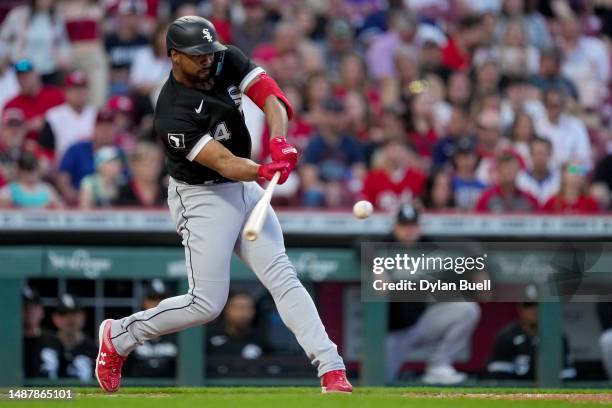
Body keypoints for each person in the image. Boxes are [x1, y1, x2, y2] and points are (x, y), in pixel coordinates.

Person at [95, 17, 351, 394]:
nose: (207, 60)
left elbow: (272, 96)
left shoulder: (224, 58)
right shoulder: (171, 112)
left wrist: (279, 140)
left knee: (282, 275)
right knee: (206, 304)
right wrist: (265, 168)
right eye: (197, 55)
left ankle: (331, 368)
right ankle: (119, 336)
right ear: (174, 56)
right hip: (201, 197)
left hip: (242, 189)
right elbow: (225, 162)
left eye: (209, 51)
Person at [385, 204, 481, 384]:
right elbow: (358, 244)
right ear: (395, 227)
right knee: (379, 380)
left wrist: (478, 268)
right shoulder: (384, 244)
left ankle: (438, 365)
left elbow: (466, 246)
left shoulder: (426, 244)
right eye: (404, 225)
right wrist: (376, 267)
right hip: (391, 335)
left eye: (413, 225)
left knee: (467, 309)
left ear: (419, 227)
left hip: (420, 325)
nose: (408, 231)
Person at [487, 302, 575, 380]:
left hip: (548, 393)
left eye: (538, 306)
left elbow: (567, 375)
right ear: (520, 309)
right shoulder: (507, 335)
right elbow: (498, 375)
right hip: (516, 394)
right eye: (528, 306)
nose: (534, 310)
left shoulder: (557, 336)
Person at [56, 108, 120, 205]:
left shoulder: (119, 153)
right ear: (94, 128)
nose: (105, 132)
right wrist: (79, 198)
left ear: (115, 130)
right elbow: (63, 178)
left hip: (114, 205)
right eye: (102, 128)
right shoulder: (76, 149)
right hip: (79, 203)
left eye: (109, 128)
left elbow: (127, 182)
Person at [0, 0, 72, 84]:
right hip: (23, 69)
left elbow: (63, 42)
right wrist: (7, 57)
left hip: (49, 70)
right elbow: (3, 39)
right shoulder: (18, 14)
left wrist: (65, 57)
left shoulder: (56, 17)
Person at [206, 291, 270, 376]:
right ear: (226, 310)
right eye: (238, 308)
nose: (243, 313)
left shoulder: (260, 339)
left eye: (248, 308)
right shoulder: (209, 336)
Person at [39, 71, 96, 163]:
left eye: (82, 88)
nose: (79, 93)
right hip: (62, 166)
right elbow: (46, 149)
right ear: (66, 92)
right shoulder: (53, 116)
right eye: (75, 89)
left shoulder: (96, 114)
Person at [3, 59, 65, 143]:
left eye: (26, 75)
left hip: (55, 146)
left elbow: (68, 118)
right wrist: (28, 126)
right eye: (19, 76)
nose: (22, 80)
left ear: (36, 75)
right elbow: (5, 135)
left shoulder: (55, 95)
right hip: (25, 151)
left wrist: (48, 123)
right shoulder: (11, 104)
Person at [125, 280, 177, 378]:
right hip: (137, 389)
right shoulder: (130, 328)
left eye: (163, 300)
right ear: (144, 302)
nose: (158, 304)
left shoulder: (180, 328)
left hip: (172, 388)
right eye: (153, 299)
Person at [362, 140, 426, 212]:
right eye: (391, 149)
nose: (395, 154)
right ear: (384, 152)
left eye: (398, 148)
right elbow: (365, 206)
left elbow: (426, 205)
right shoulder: (372, 179)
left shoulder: (418, 177)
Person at [51, 294, 97, 381]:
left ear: (83, 316)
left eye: (74, 313)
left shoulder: (94, 350)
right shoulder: (46, 345)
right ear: (55, 318)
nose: (70, 318)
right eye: (63, 314)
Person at [22, 286, 63, 379]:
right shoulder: (8, 342)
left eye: (34, 307)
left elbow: (63, 374)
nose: (29, 311)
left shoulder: (53, 341)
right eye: (25, 307)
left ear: (41, 311)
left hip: (49, 392)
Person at [114, 142, 166, 207]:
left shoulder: (168, 192)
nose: (152, 168)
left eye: (156, 163)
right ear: (134, 165)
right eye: (146, 164)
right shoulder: (123, 192)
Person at [516, 137, 560, 206]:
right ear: (530, 155)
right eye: (536, 153)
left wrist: (575, 167)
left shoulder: (559, 176)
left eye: (543, 153)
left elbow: (580, 170)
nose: (540, 157)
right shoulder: (520, 178)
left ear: (550, 155)